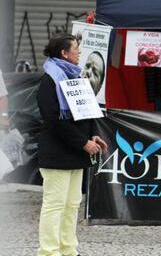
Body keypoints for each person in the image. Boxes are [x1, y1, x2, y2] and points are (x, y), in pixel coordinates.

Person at [37, 33, 108, 256]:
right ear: (64, 53)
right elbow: (52, 119)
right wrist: (83, 142)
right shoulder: (49, 80)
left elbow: (86, 114)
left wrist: (93, 136)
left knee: (71, 205)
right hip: (57, 153)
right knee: (54, 204)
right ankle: (49, 251)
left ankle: (69, 249)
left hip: (76, 152)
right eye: (76, 48)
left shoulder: (77, 78)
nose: (79, 53)